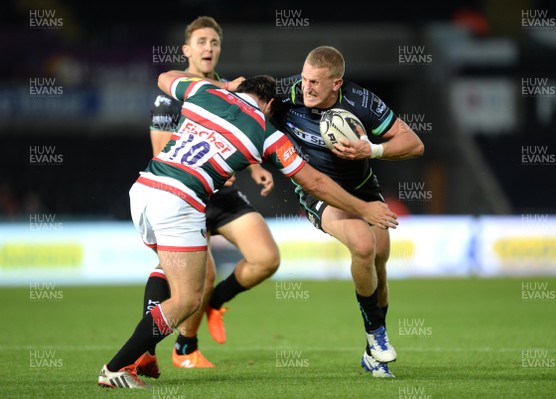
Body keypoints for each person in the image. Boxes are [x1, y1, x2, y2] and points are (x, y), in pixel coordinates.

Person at [97, 73, 398, 389]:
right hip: (179, 201)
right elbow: (315, 182)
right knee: (188, 299)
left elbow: (163, 78)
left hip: (144, 189)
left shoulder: (204, 92)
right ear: (269, 104)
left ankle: (145, 352)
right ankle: (117, 367)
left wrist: (223, 87)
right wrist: (364, 208)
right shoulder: (266, 132)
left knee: (169, 270)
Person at [135, 16, 279, 375]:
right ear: (187, 50)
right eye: (201, 42)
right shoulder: (173, 95)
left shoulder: (231, 90)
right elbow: (162, 153)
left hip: (222, 194)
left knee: (266, 258)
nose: (208, 48)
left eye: (214, 42)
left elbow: (237, 136)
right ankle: (174, 349)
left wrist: (254, 168)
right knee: (198, 277)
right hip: (185, 195)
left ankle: (216, 304)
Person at [273, 46, 424, 378]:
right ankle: (376, 336)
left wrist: (373, 148)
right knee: (363, 245)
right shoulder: (284, 93)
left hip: (363, 188)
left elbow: (414, 143)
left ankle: (373, 353)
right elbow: (244, 105)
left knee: (379, 262)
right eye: (304, 79)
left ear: (336, 83)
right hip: (318, 192)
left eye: (315, 82)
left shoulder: (361, 102)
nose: (307, 87)